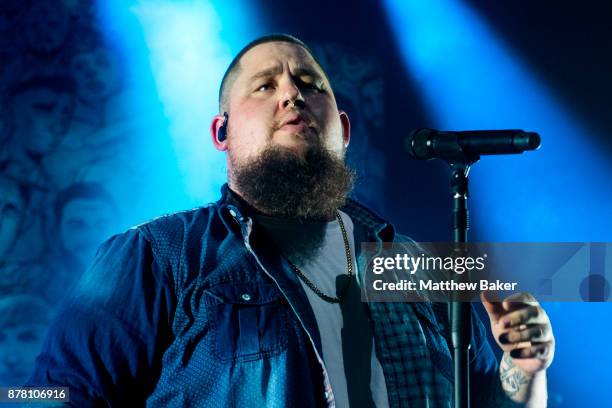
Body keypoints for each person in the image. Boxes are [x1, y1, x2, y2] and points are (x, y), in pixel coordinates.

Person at [29, 34, 554, 407]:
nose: (292, 93)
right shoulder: (155, 256)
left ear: (342, 129)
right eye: (264, 86)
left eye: (310, 83)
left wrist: (526, 372)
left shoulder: (418, 268)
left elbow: (495, 399)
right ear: (222, 133)